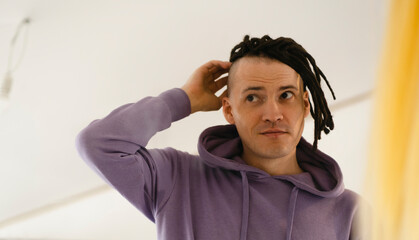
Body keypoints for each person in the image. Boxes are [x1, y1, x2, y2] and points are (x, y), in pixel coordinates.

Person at [75, 35, 368, 240]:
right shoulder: (176, 178)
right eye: (253, 97)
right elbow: (99, 143)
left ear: (305, 106)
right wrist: (184, 99)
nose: (273, 113)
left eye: (286, 95)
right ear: (228, 109)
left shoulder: (351, 213)